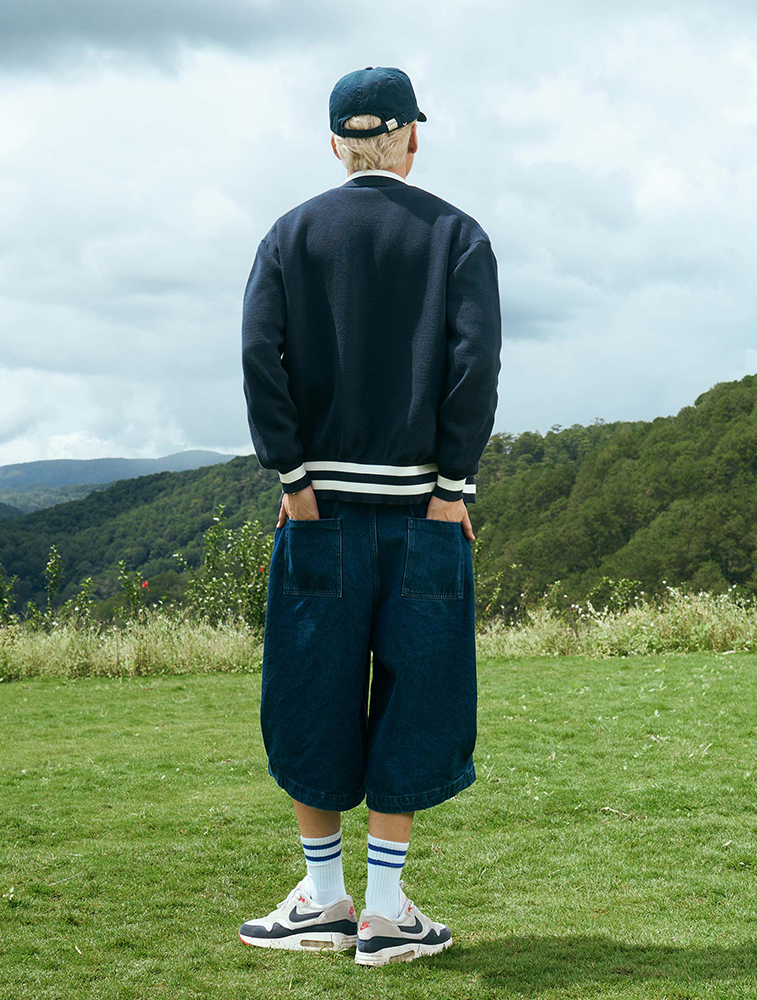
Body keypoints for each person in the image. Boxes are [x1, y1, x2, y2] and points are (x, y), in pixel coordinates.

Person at [238, 65, 502, 967]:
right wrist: (450, 490)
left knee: (308, 694)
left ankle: (324, 899)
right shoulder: (458, 236)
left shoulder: (290, 234)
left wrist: (294, 480)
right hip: (425, 514)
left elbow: (259, 357)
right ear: (412, 137)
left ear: (335, 144)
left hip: (320, 513)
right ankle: (384, 913)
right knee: (419, 699)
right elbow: (475, 368)